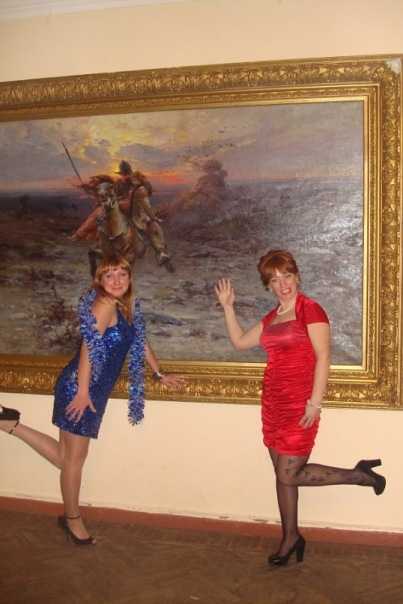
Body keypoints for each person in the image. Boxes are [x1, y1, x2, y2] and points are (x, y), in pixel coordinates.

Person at [0, 253, 187, 546]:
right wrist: (83, 392)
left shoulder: (125, 305)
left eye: (122, 274)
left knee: (68, 458)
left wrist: (159, 373)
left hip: (90, 389)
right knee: (73, 461)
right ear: (100, 280)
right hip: (80, 388)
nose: (116, 281)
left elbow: (139, 339)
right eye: (109, 275)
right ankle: (72, 520)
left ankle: (10, 424)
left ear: (129, 278)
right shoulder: (105, 303)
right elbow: (89, 347)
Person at [215, 249, 386, 567]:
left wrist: (315, 403)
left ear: (297, 276)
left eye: (287, 276)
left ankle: (360, 475)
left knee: (289, 473)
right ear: (268, 286)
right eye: (274, 280)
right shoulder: (272, 317)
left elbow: (324, 356)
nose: (283, 284)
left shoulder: (311, 309)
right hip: (273, 404)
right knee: (282, 477)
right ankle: (290, 537)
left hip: (300, 404)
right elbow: (239, 342)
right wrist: (228, 307)